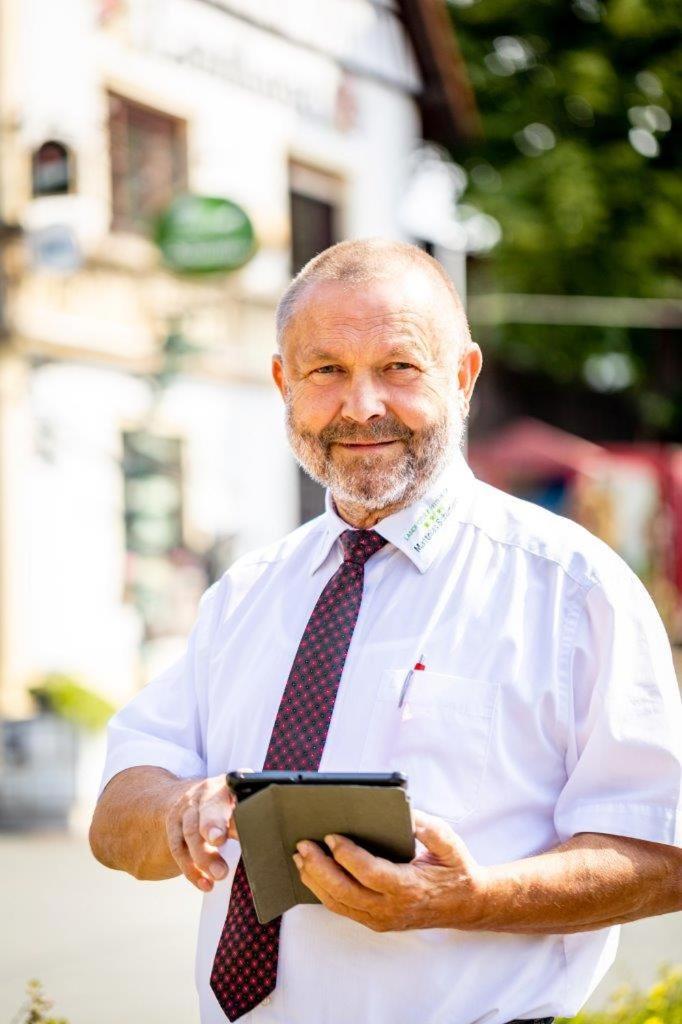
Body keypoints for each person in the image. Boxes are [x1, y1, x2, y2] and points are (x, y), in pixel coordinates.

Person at [90, 239, 682, 1024]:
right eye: (326, 369)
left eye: (399, 367)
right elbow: (114, 816)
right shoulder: (245, 594)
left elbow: (661, 854)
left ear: (463, 376)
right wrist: (178, 808)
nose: (361, 405)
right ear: (283, 383)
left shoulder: (573, 589)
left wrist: (468, 900)